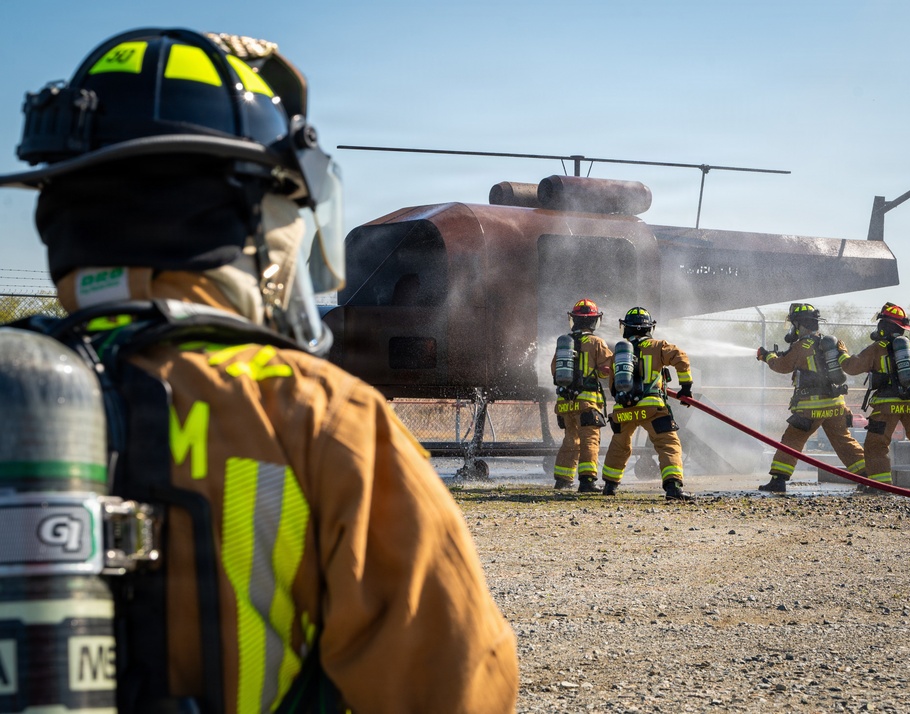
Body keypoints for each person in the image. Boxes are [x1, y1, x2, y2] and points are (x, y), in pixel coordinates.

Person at [0, 28, 518, 713]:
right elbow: (453, 688)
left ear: (58, 209)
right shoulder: (322, 418)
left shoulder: (20, 386)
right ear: (258, 219)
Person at [756, 303, 867, 493]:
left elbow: (783, 366)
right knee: (844, 442)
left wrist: (767, 357)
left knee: (792, 440)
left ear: (800, 325)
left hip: (811, 407)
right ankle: (868, 477)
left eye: (794, 325)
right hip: (836, 405)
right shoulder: (828, 342)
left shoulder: (802, 345)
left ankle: (778, 479)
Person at [841, 302, 910, 492]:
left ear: (883, 326)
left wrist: (841, 353)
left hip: (886, 406)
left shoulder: (876, 349)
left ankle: (880, 485)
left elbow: (851, 367)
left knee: (877, 444)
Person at [600, 307, 693, 499]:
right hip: (651, 408)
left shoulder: (618, 354)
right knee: (668, 444)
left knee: (619, 445)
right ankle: (673, 487)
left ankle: (609, 486)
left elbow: (612, 385)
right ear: (649, 328)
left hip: (623, 410)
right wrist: (686, 386)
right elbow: (680, 357)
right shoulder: (658, 346)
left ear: (626, 329)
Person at [550, 299, 614, 492]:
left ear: (574, 320)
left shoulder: (564, 345)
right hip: (587, 403)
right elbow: (607, 370)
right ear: (594, 321)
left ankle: (563, 479)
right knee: (589, 441)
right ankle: (587, 481)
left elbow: (554, 369)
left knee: (571, 440)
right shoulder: (596, 342)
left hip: (565, 404)